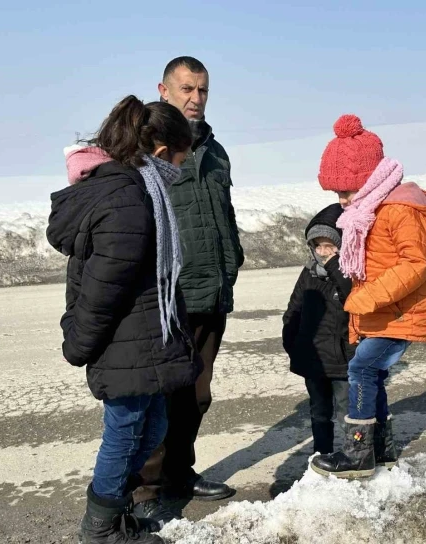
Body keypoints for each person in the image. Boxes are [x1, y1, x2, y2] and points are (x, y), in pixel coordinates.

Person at [46, 96, 198, 543]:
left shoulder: (137, 188)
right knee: (126, 431)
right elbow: (102, 285)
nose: (183, 166)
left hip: (143, 334)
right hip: (124, 338)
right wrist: (78, 342)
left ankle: (115, 515)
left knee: (152, 426)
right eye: (183, 155)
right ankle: (99, 529)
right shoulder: (129, 198)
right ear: (161, 150)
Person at [133, 56, 242, 520]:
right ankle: (145, 494)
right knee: (159, 396)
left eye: (202, 90)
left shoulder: (215, 152)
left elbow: (225, 214)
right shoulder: (145, 149)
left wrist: (231, 262)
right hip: (168, 297)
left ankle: (181, 472)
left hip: (211, 291)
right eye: (186, 89)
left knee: (196, 395)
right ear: (163, 89)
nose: (195, 99)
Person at [310, 114, 426, 479]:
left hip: (400, 312)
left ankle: (357, 455)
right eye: (337, 191)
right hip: (384, 312)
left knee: (362, 369)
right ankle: (380, 450)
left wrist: (368, 298)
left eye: (347, 190)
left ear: (370, 180)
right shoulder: (371, 210)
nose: (342, 199)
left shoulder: (400, 209)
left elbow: (418, 262)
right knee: (373, 374)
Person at [282, 204, 354, 455]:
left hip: (343, 360)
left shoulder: (350, 273)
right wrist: (295, 346)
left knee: (348, 413)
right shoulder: (308, 273)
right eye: (318, 246)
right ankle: (322, 455)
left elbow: (356, 302)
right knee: (319, 412)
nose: (323, 253)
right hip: (313, 360)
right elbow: (293, 311)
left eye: (330, 246)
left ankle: (352, 457)